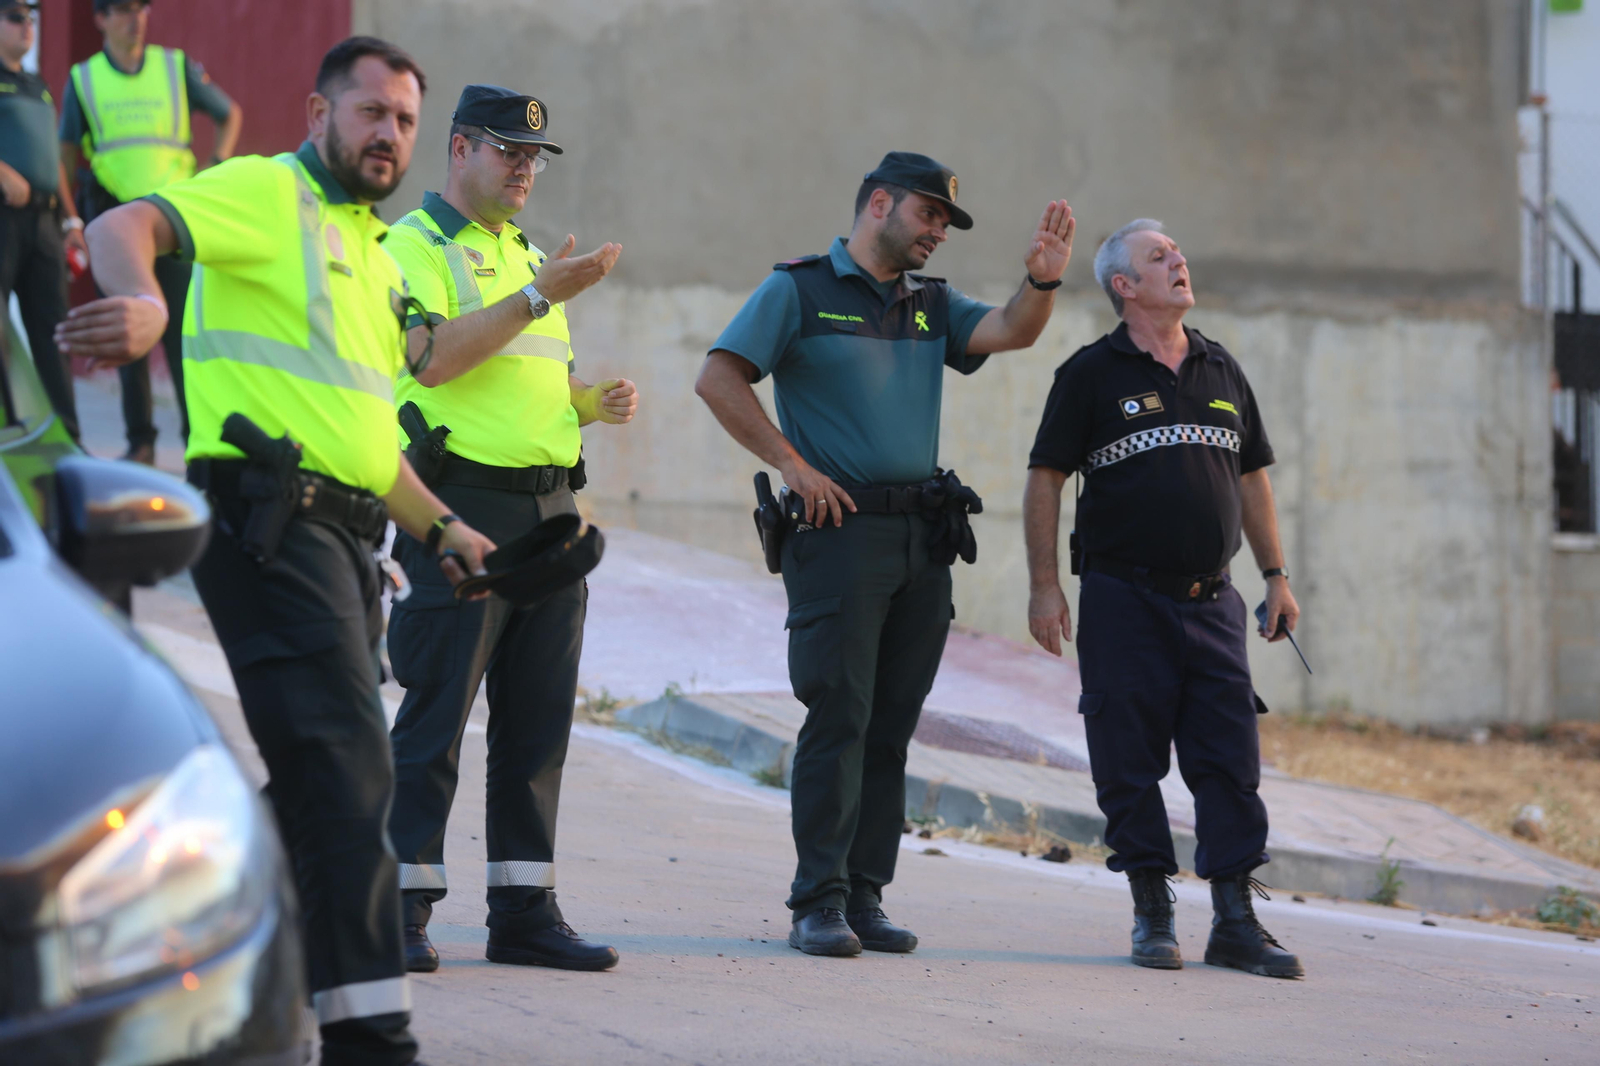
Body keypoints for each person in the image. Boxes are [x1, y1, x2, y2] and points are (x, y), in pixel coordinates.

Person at [57, 37, 496, 1064]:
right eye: (369, 112)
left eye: (402, 121)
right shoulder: (264, 192)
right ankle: (367, 1033)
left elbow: (365, 437)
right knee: (346, 767)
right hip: (265, 518)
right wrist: (150, 298)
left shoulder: (373, 255)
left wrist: (444, 527)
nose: (387, 133)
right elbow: (129, 222)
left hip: (348, 536)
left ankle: (166, 931)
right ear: (317, 114)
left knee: (324, 773)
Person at [696, 151, 1074, 956]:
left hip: (921, 537)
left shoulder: (931, 305)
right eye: (929, 215)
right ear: (879, 204)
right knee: (840, 715)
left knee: (893, 726)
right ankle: (818, 901)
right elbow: (718, 378)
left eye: (946, 222)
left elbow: (1009, 331)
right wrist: (791, 464)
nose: (939, 232)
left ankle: (866, 894)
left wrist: (1040, 282)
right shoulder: (797, 289)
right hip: (837, 535)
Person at [382, 83, 632, 974]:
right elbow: (437, 361)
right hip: (459, 510)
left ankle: (525, 911)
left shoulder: (527, 253)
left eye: (534, 156)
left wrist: (586, 405)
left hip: (548, 509)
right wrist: (537, 294)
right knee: (435, 717)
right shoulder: (408, 247)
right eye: (506, 150)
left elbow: (521, 383)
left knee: (535, 726)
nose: (525, 166)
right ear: (458, 149)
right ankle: (400, 908)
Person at [1022, 218, 1305, 979]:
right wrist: (1045, 586)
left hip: (1214, 602)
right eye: (1159, 257)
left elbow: (1253, 477)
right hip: (1124, 599)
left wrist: (1276, 576)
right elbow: (1045, 477)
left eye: (1178, 251)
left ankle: (1236, 923)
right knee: (1127, 759)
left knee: (1228, 763)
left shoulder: (1220, 367)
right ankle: (1153, 912)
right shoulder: (1091, 373)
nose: (1179, 260)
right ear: (1124, 285)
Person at [59, 0, 242, 463]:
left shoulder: (173, 66)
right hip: (116, 228)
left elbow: (229, 113)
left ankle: (194, 443)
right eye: (122, 9)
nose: (135, 18)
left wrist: (214, 169)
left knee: (184, 338)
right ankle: (140, 444)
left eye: (141, 8)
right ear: (100, 18)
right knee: (129, 341)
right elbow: (63, 157)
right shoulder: (84, 80)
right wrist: (71, 220)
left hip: (174, 225)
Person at [0, 0, 83, 439]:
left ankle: (67, 437)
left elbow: (53, 160)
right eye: (15, 18)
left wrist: (73, 222)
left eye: (30, 18)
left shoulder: (38, 85)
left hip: (47, 225)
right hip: (4, 221)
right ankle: (8, 435)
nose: (26, 26)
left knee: (55, 333)